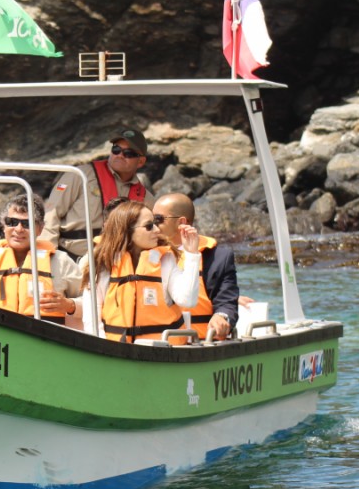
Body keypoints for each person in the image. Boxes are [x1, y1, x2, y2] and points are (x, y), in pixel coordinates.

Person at [89, 200, 201, 344]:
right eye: (149, 226)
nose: (157, 230)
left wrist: (192, 254)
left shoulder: (165, 260)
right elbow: (92, 319)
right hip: (115, 352)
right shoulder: (102, 265)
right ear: (127, 230)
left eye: (155, 223)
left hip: (162, 353)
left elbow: (188, 300)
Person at [40, 126, 153, 260]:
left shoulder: (146, 199)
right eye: (116, 149)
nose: (120, 155)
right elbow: (51, 215)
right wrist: (47, 257)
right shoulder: (80, 176)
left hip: (115, 266)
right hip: (70, 259)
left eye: (129, 153)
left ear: (140, 161)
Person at [0, 193, 82, 324]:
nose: (18, 229)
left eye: (27, 224)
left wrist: (70, 305)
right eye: (12, 222)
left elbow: (92, 302)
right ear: (4, 226)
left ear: (40, 229)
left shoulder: (62, 263)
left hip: (46, 339)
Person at [151, 193, 240, 340]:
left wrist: (221, 317)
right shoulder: (145, 253)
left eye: (158, 219)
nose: (153, 226)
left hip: (200, 342)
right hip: (156, 341)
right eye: (150, 221)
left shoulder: (218, 258)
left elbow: (226, 301)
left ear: (181, 222)